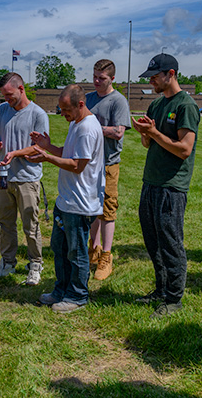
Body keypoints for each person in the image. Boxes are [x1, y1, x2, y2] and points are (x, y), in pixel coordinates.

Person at [131, 53, 199, 318]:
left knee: (170, 242)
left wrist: (155, 133)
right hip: (151, 181)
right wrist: (145, 134)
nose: (152, 82)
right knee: (153, 241)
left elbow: (184, 149)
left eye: (155, 76)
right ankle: (160, 290)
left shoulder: (186, 105)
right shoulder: (156, 105)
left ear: (171, 74)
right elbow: (149, 144)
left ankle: (174, 299)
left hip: (172, 186)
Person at [30, 85, 104, 313]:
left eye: (65, 109)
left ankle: (78, 295)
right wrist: (48, 147)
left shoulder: (88, 128)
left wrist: (46, 157)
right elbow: (69, 153)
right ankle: (61, 290)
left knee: (77, 252)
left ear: (80, 104)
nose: (63, 114)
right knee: (60, 248)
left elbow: (78, 165)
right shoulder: (76, 123)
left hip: (81, 203)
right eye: (60, 109)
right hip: (66, 201)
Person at [0, 73, 49, 285]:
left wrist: (16, 153)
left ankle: (35, 264)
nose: (6, 99)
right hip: (3, 176)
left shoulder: (38, 114)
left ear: (21, 89)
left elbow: (40, 146)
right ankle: (7, 262)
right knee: (5, 222)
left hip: (27, 178)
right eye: (3, 95)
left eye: (10, 95)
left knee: (30, 224)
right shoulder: (3, 110)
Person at [85, 59, 131, 281]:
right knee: (92, 207)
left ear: (112, 78)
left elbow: (118, 132)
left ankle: (106, 255)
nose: (96, 81)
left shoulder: (118, 101)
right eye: (94, 76)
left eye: (101, 78)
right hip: (89, 161)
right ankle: (93, 249)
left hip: (109, 162)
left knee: (107, 208)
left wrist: (93, 127)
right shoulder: (89, 98)